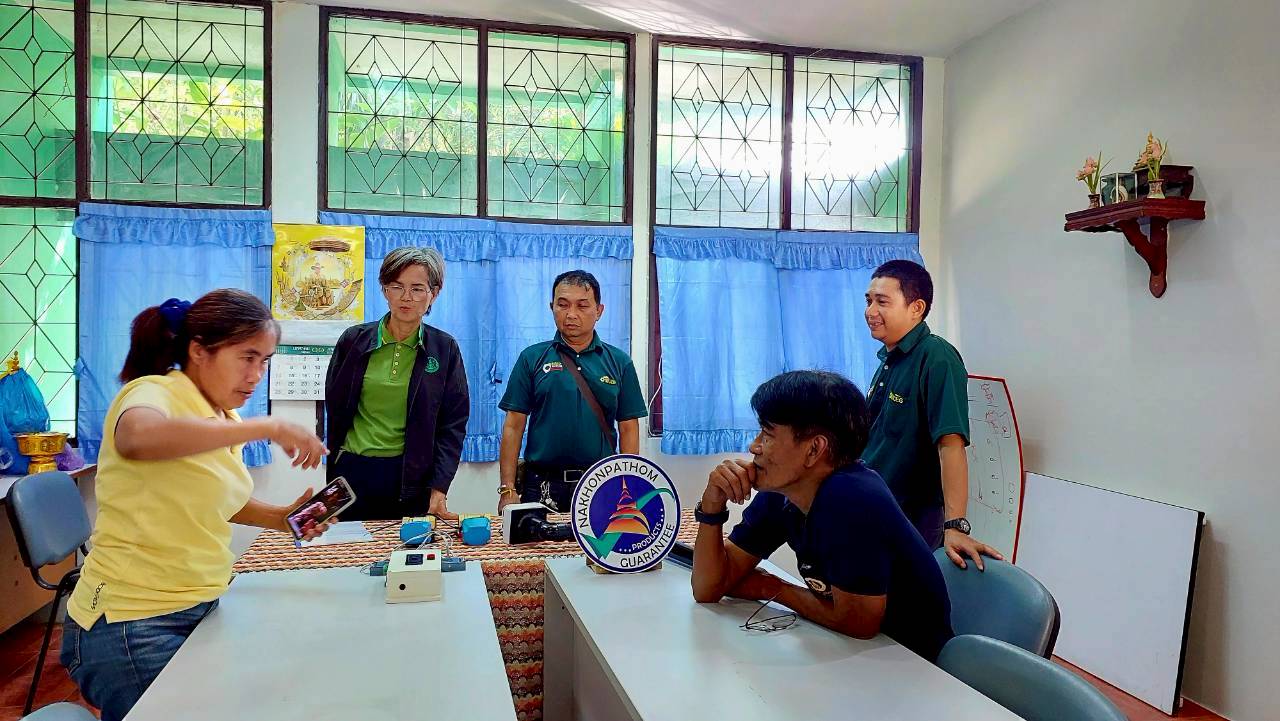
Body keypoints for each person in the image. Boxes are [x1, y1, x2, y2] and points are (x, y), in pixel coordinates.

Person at [61, 289, 332, 721]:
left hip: (195, 604)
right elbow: (137, 438)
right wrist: (268, 426)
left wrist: (281, 519)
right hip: (132, 620)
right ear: (199, 351)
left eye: (265, 361)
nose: (256, 374)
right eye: (247, 357)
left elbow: (215, 499)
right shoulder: (154, 391)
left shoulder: (224, 416)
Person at [690, 370, 954, 662]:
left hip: (911, 664)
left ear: (814, 449)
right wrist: (712, 506)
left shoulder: (852, 497)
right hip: (854, 655)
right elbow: (707, 587)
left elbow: (859, 622)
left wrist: (773, 587)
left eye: (767, 434)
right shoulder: (783, 493)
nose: (754, 447)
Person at [862, 259, 1001, 569]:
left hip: (912, 516)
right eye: (868, 301)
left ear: (916, 308)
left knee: (903, 595)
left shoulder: (937, 357)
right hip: (876, 506)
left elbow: (950, 444)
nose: (870, 311)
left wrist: (955, 526)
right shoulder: (890, 358)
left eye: (882, 302)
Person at [325, 247, 470, 521]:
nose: (406, 297)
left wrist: (440, 487)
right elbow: (334, 407)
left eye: (417, 288)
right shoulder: (353, 341)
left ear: (433, 293)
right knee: (349, 546)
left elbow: (453, 425)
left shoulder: (444, 348)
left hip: (411, 478)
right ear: (384, 290)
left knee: (408, 548)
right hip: (352, 470)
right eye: (396, 286)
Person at [496, 270, 646, 513]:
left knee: (603, 539)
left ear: (599, 311)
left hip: (600, 484)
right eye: (563, 305)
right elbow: (513, 425)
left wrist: (628, 485)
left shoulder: (619, 362)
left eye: (582, 306)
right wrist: (507, 489)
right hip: (541, 485)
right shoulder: (532, 358)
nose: (571, 314)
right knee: (534, 540)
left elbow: (629, 427)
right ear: (552, 307)